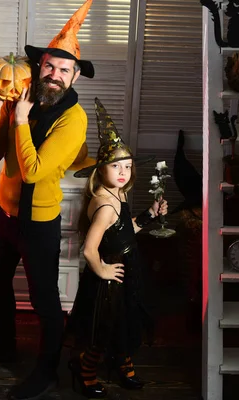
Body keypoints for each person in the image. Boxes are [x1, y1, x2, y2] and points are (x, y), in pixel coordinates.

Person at [0, 1, 95, 399]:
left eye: (64, 70)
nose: (54, 75)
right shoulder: (21, 99)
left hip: (37, 222)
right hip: (4, 211)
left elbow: (34, 171)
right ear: (40, 67)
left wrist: (18, 121)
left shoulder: (73, 119)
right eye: (50, 66)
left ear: (74, 77)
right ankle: (2, 343)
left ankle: (47, 370)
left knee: (44, 300)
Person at [66, 98, 168, 398]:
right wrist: (103, 271)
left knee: (126, 320)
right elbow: (89, 249)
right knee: (105, 326)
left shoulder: (118, 194)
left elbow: (126, 232)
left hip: (126, 271)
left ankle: (123, 363)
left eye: (127, 166)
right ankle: (85, 369)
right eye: (115, 166)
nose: (123, 172)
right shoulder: (106, 204)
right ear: (101, 170)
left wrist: (148, 216)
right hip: (110, 279)